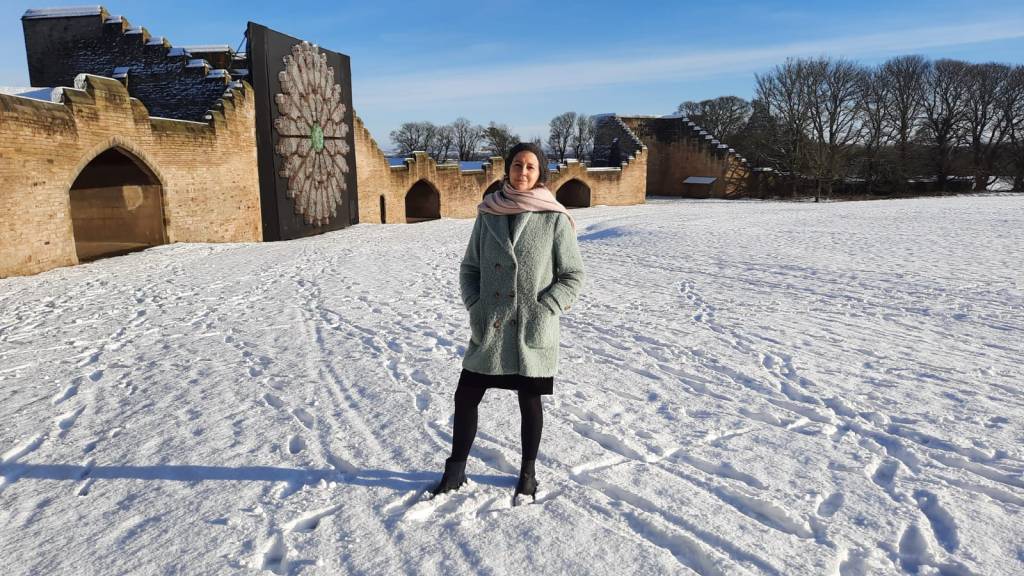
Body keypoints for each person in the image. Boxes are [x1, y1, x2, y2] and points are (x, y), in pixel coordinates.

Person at [432, 142, 585, 503]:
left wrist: (547, 307)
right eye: (518, 165)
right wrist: (475, 304)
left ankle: (528, 474)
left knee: (529, 402)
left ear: (540, 173)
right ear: (508, 169)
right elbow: (469, 268)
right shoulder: (488, 214)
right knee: (466, 396)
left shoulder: (553, 217)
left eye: (531, 167)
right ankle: (455, 470)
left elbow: (573, 275)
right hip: (492, 326)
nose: (523, 172)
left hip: (532, 329)